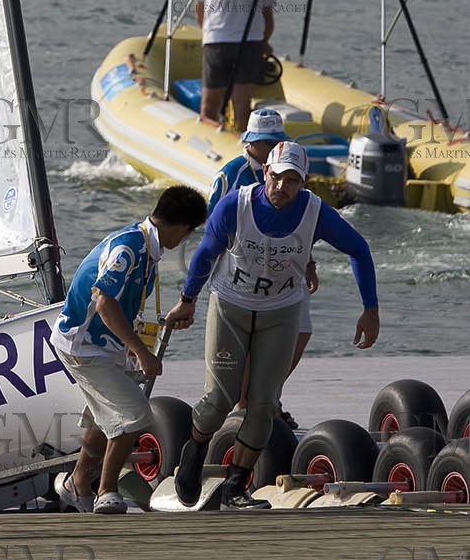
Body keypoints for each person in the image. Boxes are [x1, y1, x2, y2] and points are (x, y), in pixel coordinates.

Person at [165, 141, 379, 510]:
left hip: (280, 312)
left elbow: (359, 249)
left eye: (292, 181)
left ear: (303, 182)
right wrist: (187, 299)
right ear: (265, 172)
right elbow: (205, 253)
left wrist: (370, 308)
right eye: (277, 178)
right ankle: (195, 451)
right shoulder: (236, 205)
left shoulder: (315, 212)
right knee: (220, 399)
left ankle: (235, 486)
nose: (282, 188)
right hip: (230, 306)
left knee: (264, 405)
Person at [52, 185, 206, 515]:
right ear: (181, 227)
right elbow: (104, 303)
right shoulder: (129, 249)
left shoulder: (146, 247)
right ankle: (106, 490)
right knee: (134, 416)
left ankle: (76, 483)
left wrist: (161, 325)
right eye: (189, 234)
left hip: (104, 344)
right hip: (83, 344)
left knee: (101, 419)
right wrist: (142, 352)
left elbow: (126, 306)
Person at [207, 107, 317, 426]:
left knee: (302, 330)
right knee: (250, 340)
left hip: (286, 267)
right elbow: (214, 225)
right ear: (250, 142)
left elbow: (302, 223)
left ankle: (265, 394)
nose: (271, 147)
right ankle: (248, 403)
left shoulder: (287, 168)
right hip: (241, 269)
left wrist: (309, 261)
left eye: (275, 140)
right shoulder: (230, 174)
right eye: (265, 141)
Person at [193, 0, 275, 131]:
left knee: (210, 104)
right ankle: (245, 144)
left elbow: (200, 10)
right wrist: (264, 42)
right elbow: (267, 17)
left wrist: (207, 33)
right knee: (242, 103)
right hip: (249, 42)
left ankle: (208, 139)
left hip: (217, 41)